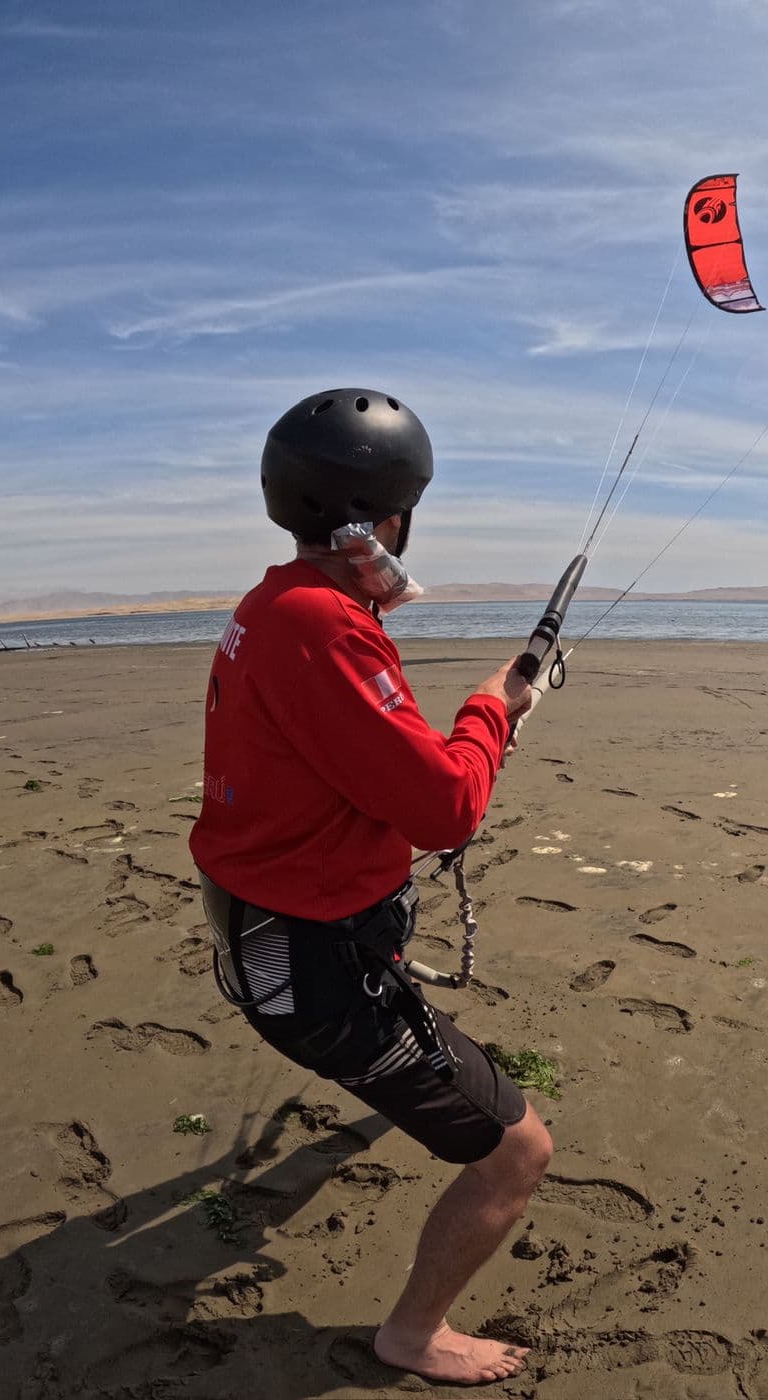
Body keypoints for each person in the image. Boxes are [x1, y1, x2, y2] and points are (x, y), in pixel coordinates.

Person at [189, 388, 552, 1386]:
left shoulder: (275, 604)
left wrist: (368, 603)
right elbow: (445, 809)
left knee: (407, 1054)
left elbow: (336, 743)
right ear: (389, 516)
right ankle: (409, 1335)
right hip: (312, 968)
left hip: (268, 930)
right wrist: (495, 704)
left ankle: (389, 1078)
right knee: (515, 1153)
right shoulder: (322, 629)